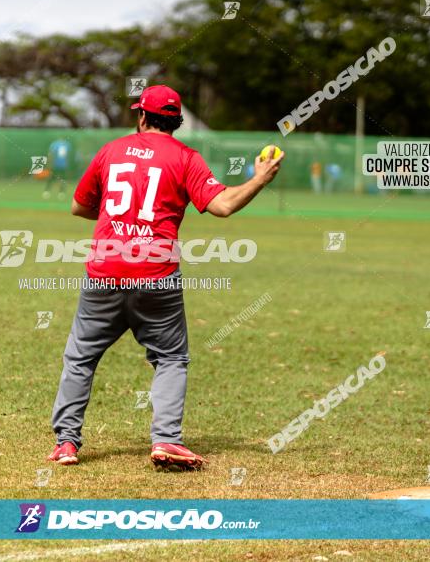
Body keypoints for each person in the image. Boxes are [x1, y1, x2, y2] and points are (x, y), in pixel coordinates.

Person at [48, 85, 284, 470]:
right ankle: (166, 440)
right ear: (177, 122)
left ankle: (66, 444)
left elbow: (79, 206)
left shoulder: (112, 150)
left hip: (105, 271)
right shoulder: (186, 157)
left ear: (141, 117)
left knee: (80, 358)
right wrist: (259, 178)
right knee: (171, 357)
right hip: (156, 275)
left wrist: (119, 220)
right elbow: (222, 205)